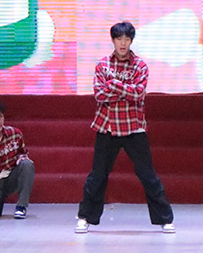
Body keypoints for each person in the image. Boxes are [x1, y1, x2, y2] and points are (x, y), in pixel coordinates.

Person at [75, 21, 175, 233]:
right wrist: (125, 90)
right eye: (119, 39)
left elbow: (138, 94)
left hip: (133, 127)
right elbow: (100, 95)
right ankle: (85, 217)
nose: (123, 43)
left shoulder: (140, 66)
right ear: (113, 40)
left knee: (148, 175)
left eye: (127, 39)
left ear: (131, 41)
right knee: (98, 175)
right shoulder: (103, 65)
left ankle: (165, 219)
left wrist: (113, 85)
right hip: (107, 126)